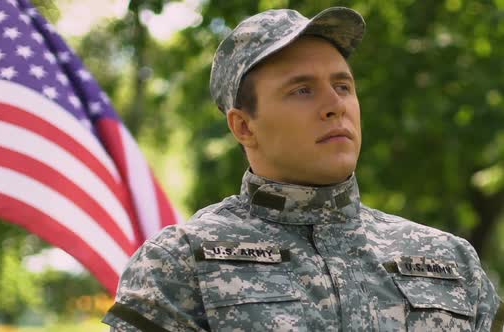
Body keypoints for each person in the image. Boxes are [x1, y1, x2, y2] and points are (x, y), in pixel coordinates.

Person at [102, 7, 503, 331]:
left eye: (343, 86)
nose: (335, 104)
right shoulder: (180, 263)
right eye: (302, 90)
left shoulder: (450, 261)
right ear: (244, 126)